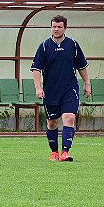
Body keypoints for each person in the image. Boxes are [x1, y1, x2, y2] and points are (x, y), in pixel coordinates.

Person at [31, 15, 90, 162]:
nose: (56, 29)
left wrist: (87, 83)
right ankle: (54, 152)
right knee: (52, 122)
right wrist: (38, 88)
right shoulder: (44, 46)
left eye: (59, 27)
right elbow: (36, 68)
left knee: (69, 117)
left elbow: (81, 66)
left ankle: (65, 152)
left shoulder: (73, 45)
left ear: (65, 28)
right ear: (51, 27)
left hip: (69, 89)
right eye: (54, 26)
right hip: (51, 91)